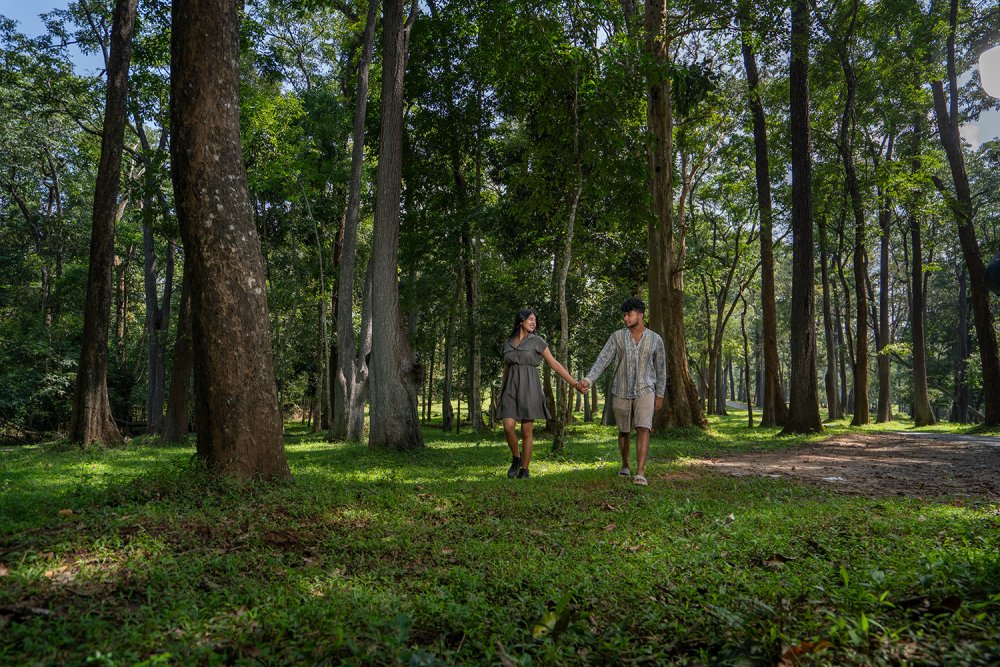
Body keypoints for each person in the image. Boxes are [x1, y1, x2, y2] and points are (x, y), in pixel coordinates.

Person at [579, 298, 666, 486]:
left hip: (646, 389)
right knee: (624, 430)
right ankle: (625, 464)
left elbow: (661, 368)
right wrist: (588, 379)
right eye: (624, 315)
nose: (626, 318)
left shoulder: (655, 339)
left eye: (629, 314)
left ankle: (640, 472)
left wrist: (660, 394)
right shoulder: (617, 337)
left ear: (640, 315)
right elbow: (603, 360)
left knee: (643, 428)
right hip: (621, 390)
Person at [498, 309, 580, 479]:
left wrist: (574, 383)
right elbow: (507, 368)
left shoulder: (538, 341)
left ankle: (525, 470)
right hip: (510, 388)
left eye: (535, 320)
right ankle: (516, 458)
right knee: (508, 427)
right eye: (530, 319)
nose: (534, 322)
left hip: (530, 387)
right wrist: (502, 391)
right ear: (521, 321)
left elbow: (554, 364)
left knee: (527, 431)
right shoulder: (508, 343)